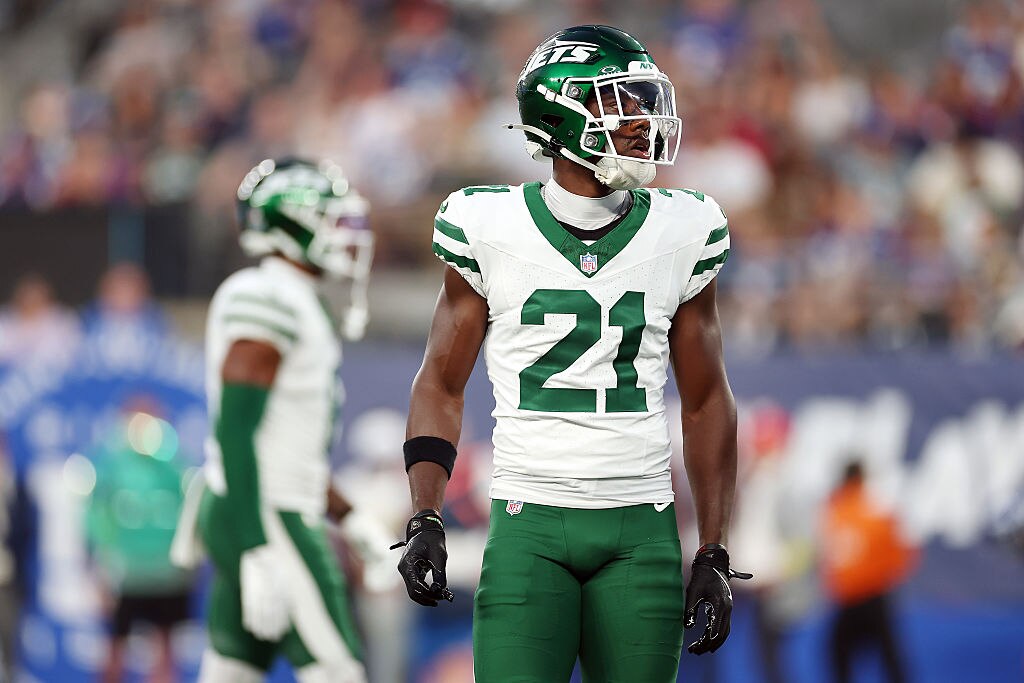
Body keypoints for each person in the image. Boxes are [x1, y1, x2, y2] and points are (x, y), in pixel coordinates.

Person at [394, 25, 750, 682]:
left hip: (642, 527)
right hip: (527, 523)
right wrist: (425, 514)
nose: (643, 118)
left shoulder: (685, 227)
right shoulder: (489, 225)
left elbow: (706, 400)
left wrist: (714, 547)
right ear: (562, 114)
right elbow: (440, 383)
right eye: (621, 101)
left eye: (643, 100)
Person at [178, 157, 387, 683]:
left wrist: (347, 515)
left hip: (261, 502)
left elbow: (284, 446)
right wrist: (256, 545)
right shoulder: (266, 296)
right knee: (338, 670)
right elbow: (235, 431)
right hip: (267, 512)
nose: (346, 234)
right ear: (293, 222)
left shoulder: (296, 299)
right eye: (332, 219)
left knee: (231, 671)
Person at [86, 407, 193, 683]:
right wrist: (102, 569)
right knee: (114, 651)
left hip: (168, 576)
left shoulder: (174, 463)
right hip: (126, 576)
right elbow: (97, 517)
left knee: (165, 653)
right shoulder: (111, 465)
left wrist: (188, 565)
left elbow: (190, 513)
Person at [821, 460, 916, 683]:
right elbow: (902, 554)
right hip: (873, 593)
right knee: (889, 656)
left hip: (853, 596)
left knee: (840, 655)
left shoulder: (837, 509)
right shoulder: (875, 508)